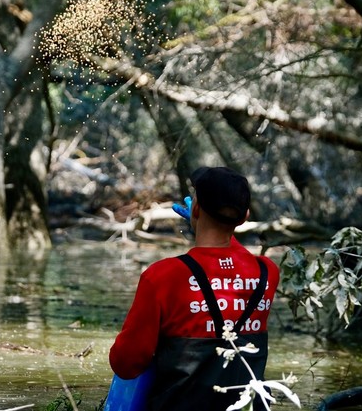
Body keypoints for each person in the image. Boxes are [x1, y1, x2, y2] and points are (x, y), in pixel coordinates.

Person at [109, 166, 280, 411]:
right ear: (245, 218)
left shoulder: (161, 277)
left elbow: (125, 364)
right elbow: (231, 261)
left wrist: (200, 222)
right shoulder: (267, 273)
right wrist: (213, 224)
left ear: (196, 209)